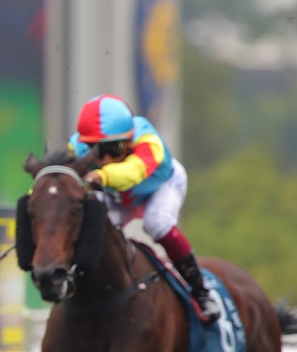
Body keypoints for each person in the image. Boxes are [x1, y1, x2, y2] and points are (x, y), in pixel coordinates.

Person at [68, 94, 221, 323]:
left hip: (160, 186)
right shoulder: (75, 148)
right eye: (98, 151)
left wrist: (101, 175)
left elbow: (134, 172)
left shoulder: (148, 141)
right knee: (95, 229)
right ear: (85, 144)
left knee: (157, 223)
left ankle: (201, 292)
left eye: (114, 148)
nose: (107, 158)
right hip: (120, 196)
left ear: (129, 140)